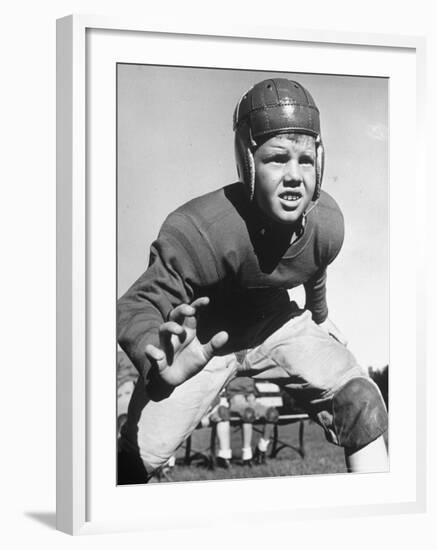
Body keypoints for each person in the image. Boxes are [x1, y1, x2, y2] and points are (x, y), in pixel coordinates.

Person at [117, 77, 388, 483]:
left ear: (321, 161)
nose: (295, 175)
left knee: (361, 402)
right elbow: (137, 304)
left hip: (274, 320)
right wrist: (151, 350)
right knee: (131, 465)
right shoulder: (200, 229)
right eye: (277, 159)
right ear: (247, 162)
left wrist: (318, 314)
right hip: (208, 337)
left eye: (306, 160)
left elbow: (313, 267)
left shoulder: (327, 223)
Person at [210, 377, 279, 467]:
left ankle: (261, 450)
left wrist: (252, 397)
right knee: (248, 414)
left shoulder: (249, 367)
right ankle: (247, 456)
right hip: (237, 401)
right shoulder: (231, 367)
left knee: (272, 414)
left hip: (251, 400)